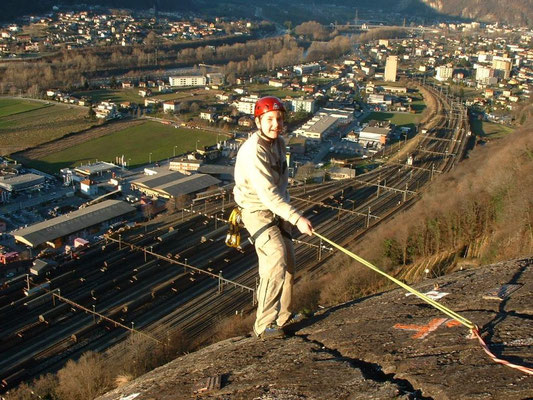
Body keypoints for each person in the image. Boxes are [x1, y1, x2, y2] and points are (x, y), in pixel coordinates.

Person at [233, 96, 313, 339]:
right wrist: (296, 217)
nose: (275, 124)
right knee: (275, 258)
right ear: (258, 122)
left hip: (275, 207)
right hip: (256, 210)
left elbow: (281, 185)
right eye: (269, 119)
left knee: (289, 262)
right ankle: (263, 325)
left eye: (278, 119)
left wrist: (287, 213)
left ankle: (284, 316)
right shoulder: (254, 151)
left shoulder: (279, 144)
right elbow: (267, 194)